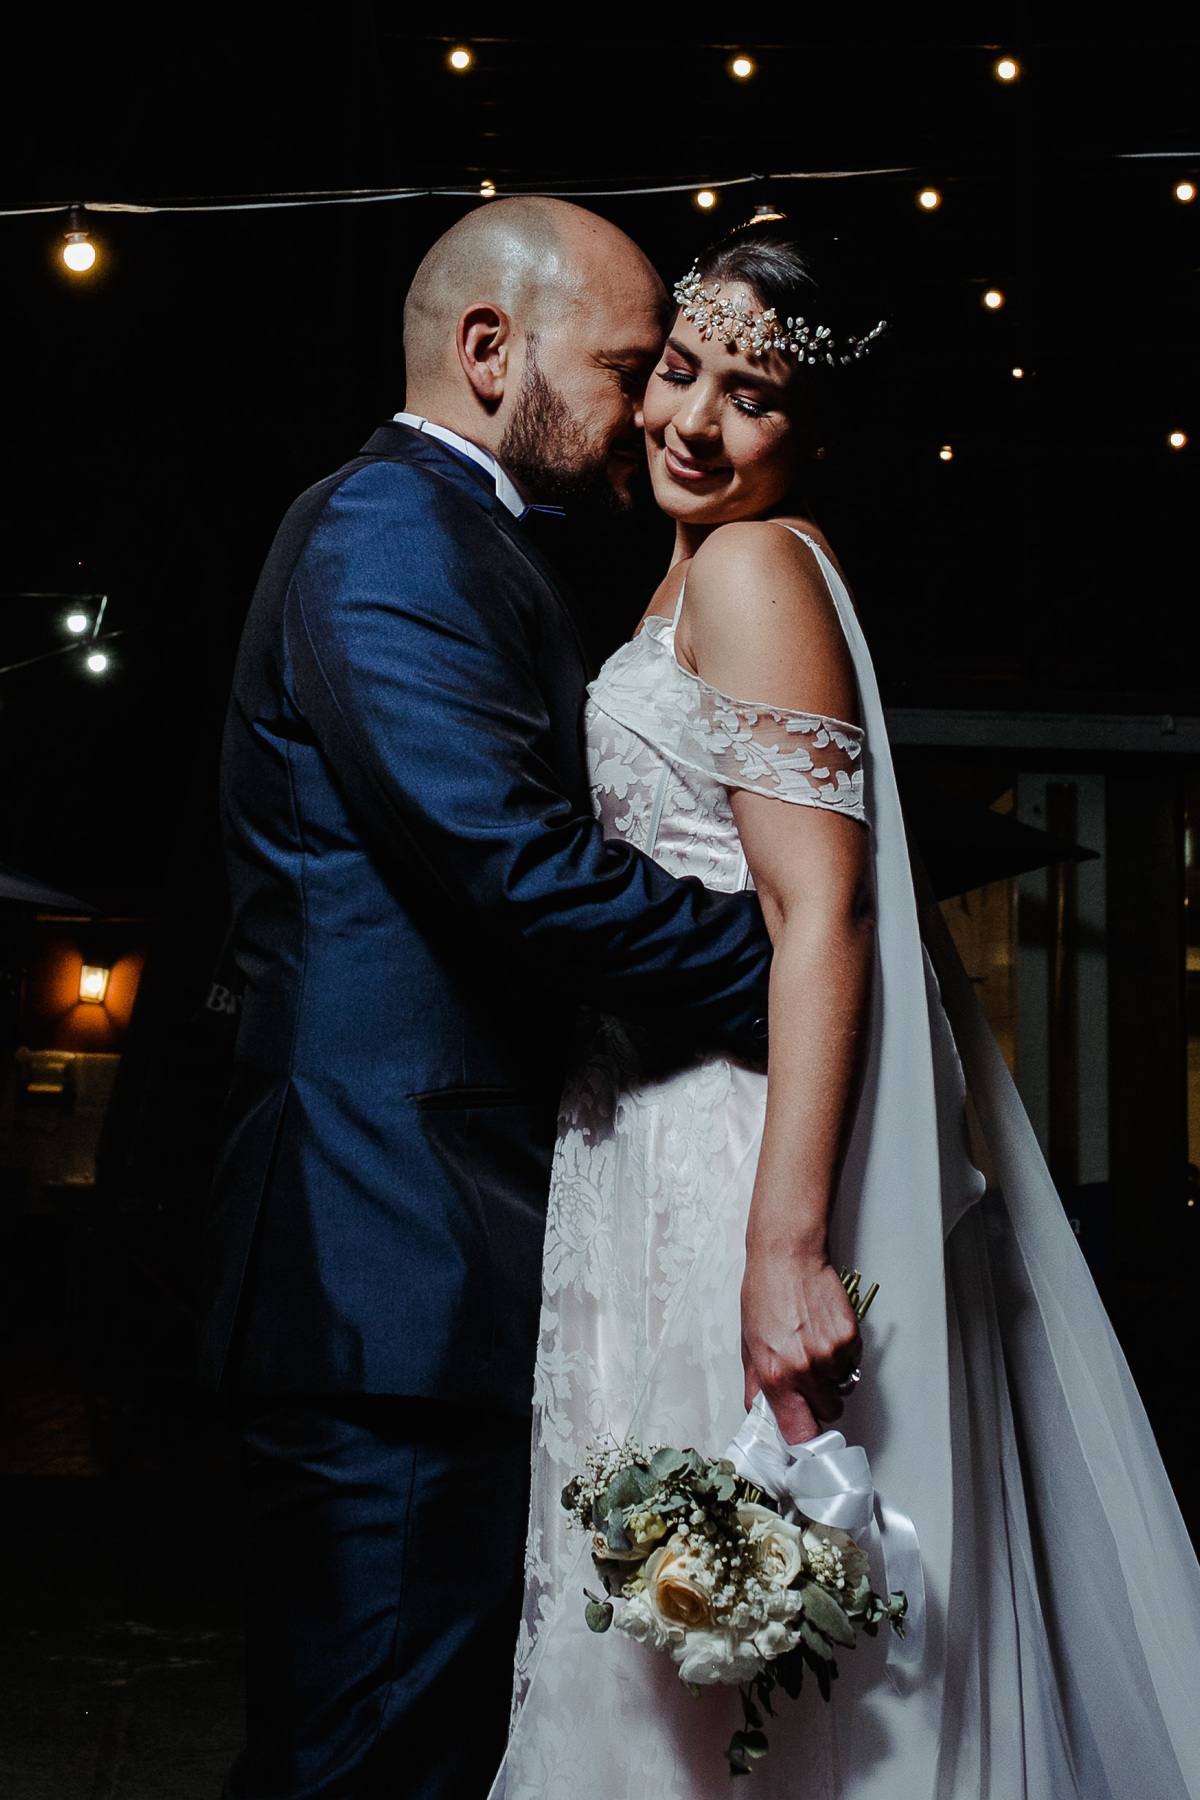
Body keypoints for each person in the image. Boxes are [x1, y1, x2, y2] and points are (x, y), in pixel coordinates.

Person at [494, 222, 1200, 1798]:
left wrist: (786, 1245)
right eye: (681, 370)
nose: (692, 420)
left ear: (811, 436)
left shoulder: (753, 567)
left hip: (726, 1160)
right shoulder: (678, 579)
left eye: (749, 398)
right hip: (638, 1145)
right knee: (654, 1621)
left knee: (737, 1613)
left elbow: (824, 918)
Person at [197, 197, 777, 1800]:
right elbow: (509, 866)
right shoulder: (387, 531)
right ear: (485, 350)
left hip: (435, 1260)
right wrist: (790, 981)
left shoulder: (477, 542)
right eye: (619, 365)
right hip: (390, 1254)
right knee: (371, 1756)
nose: (646, 407)